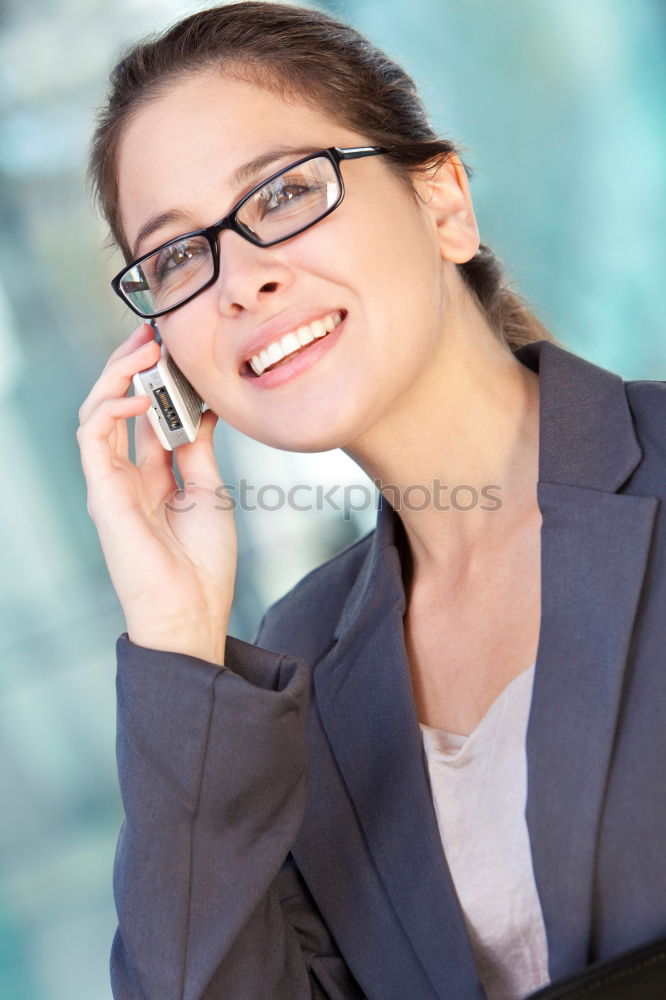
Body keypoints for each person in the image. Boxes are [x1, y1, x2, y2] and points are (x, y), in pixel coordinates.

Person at [77, 3, 666, 998]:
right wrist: (178, 636)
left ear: (443, 204)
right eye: (177, 257)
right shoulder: (297, 660)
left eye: (284, 193)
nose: (241, 281)